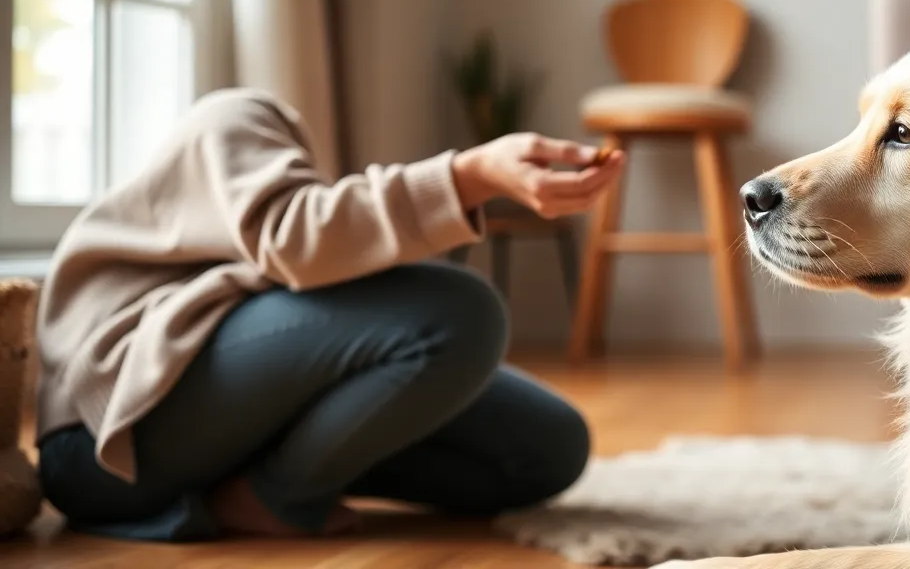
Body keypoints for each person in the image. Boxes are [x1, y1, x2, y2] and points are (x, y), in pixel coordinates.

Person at [34, 88, 626, 541]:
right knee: (461, 312)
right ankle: (275, 495)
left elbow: (301, 251)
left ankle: (270, 475)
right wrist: (471, 176)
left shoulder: (252, 184)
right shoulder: (234, 114)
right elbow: (294, 236)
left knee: (550, 446)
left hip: (209, 421)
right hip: (106, 440)